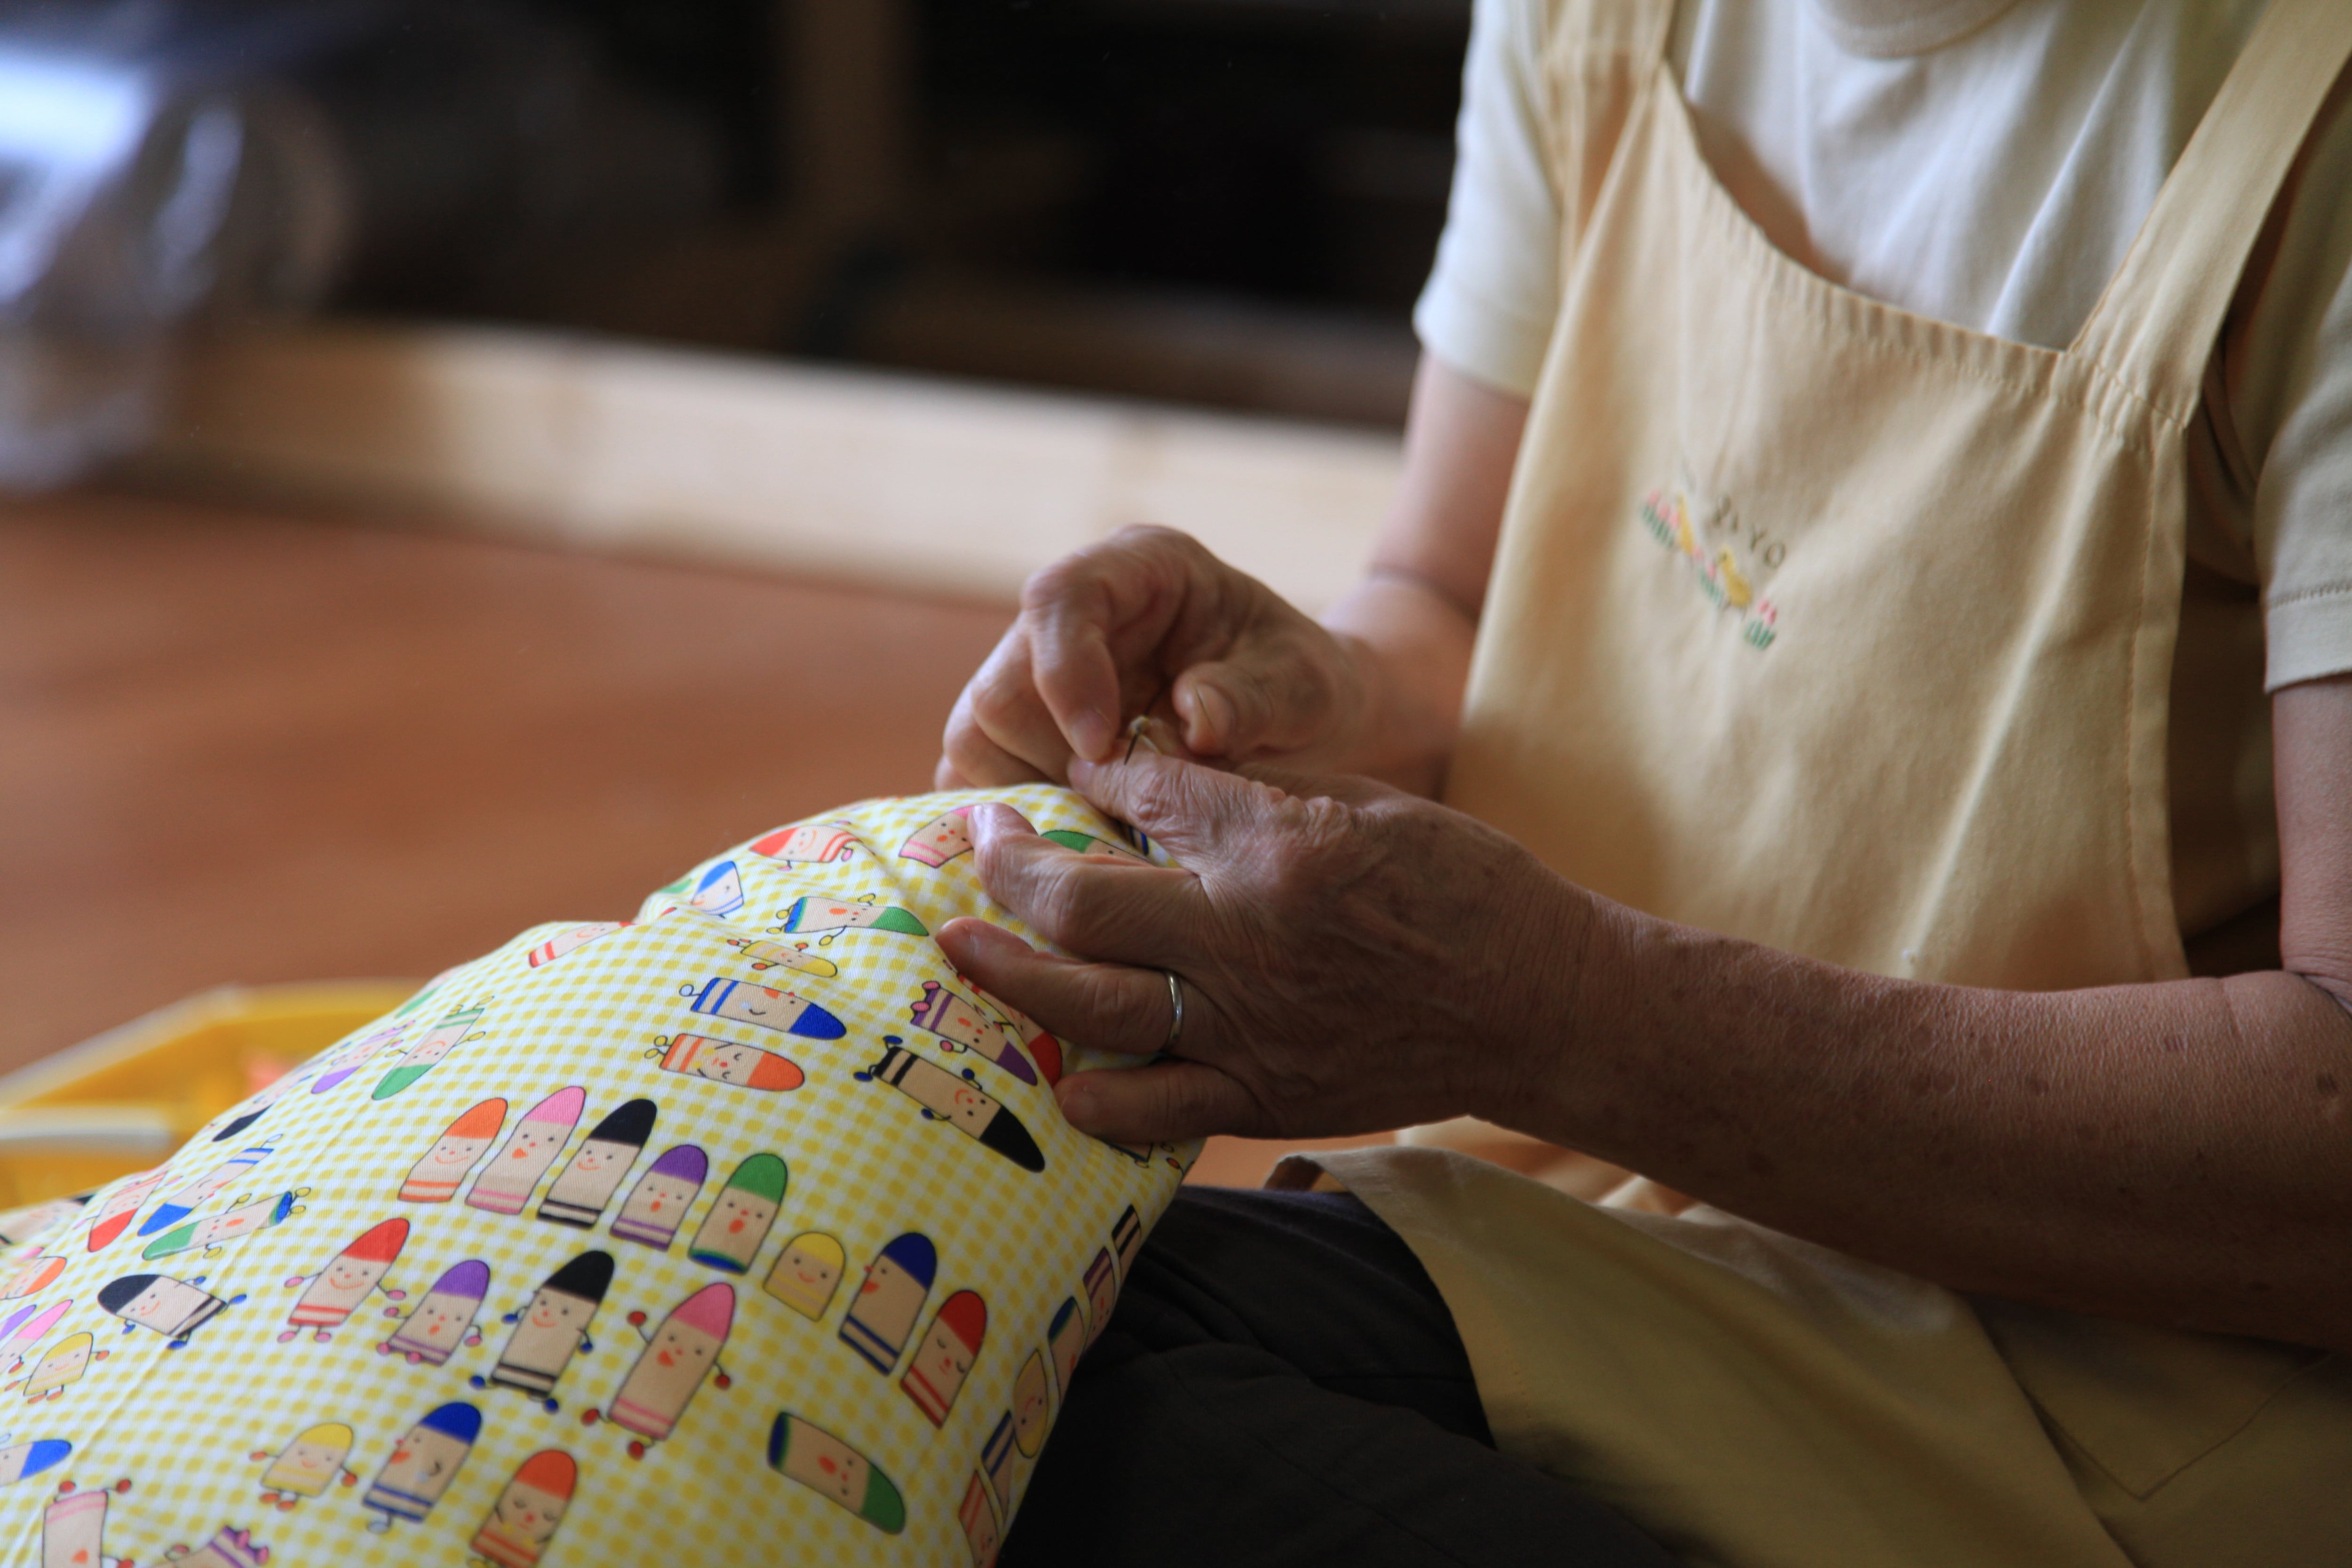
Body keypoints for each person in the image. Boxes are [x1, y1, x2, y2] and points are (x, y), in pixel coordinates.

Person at [934, 0, 2352, 1563]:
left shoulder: (2308, 124)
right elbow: (1452, 594)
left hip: (2076, 1405)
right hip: (1590, 1216)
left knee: (1057, 1416)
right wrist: (1304, 700)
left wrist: (1554, 1011)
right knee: (972, 1342)